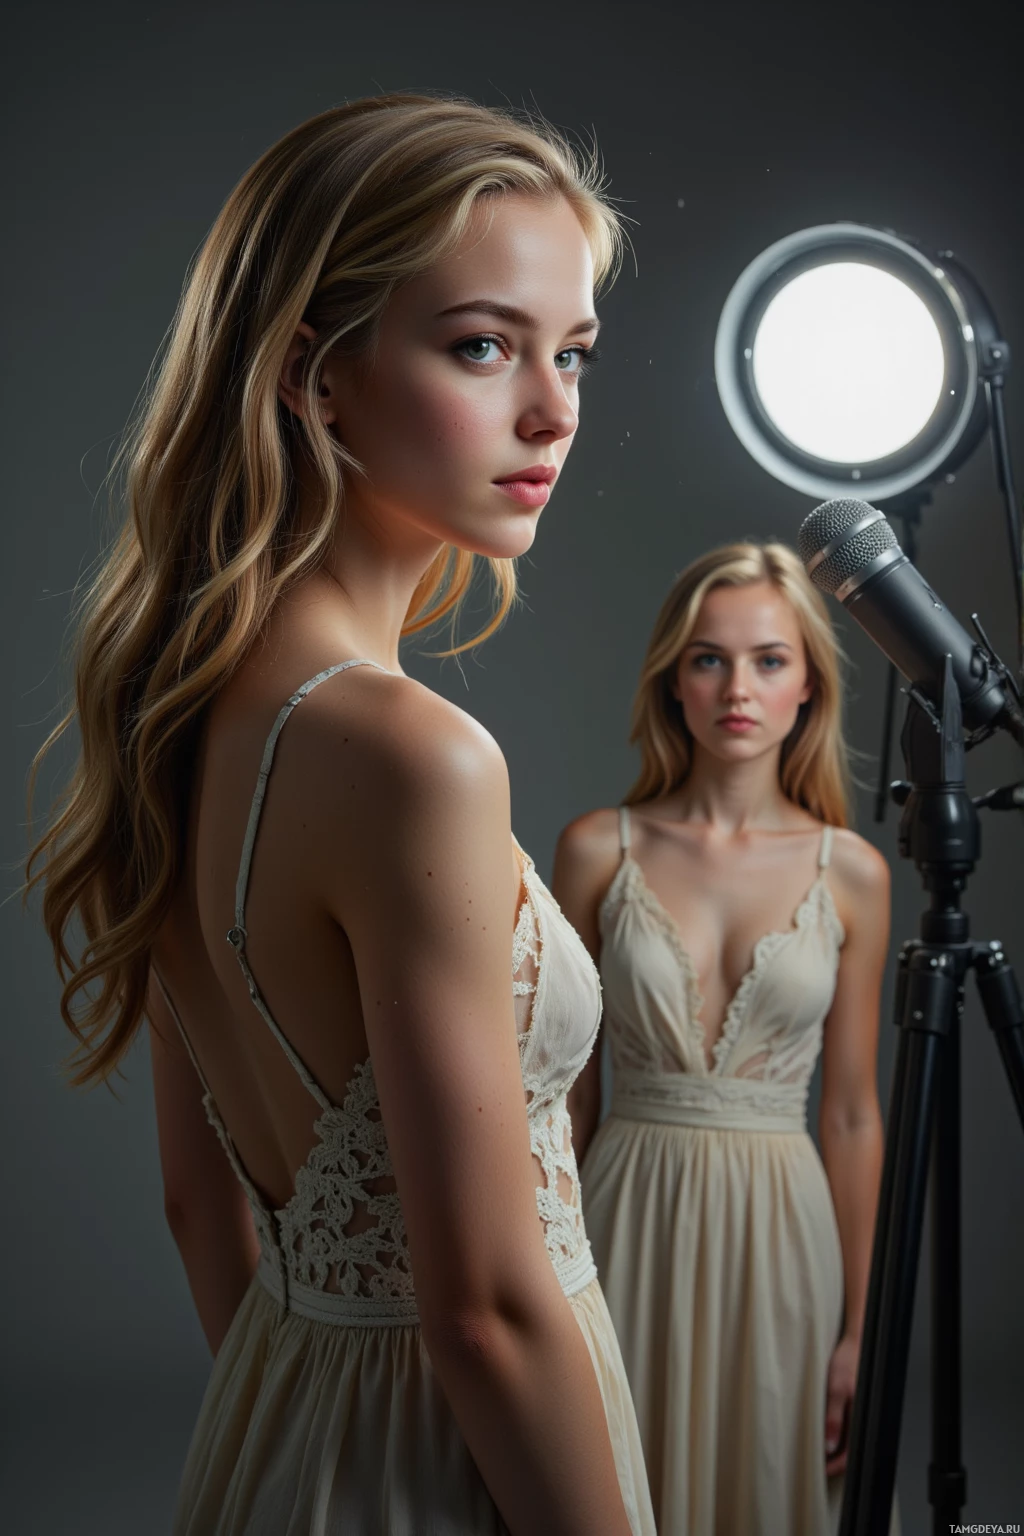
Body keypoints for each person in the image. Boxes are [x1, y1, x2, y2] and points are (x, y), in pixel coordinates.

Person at [26, 96, 656, 1536]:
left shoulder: (177, 711)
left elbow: (202, 1211)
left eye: (571, 352)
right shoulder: (412, 759)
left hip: (289, 1428)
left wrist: (310, 1433)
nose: (554, 410)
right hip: (456, 1463)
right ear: (315, 375)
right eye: (483, 346)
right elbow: (485, 1312)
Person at [553, 542, 892, 1535]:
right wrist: (535, 1275)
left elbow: (852, 1113)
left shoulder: (852, 873)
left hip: (784, 1232)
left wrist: (863, 1330)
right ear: (672, 681)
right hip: (622, 1219)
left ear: (808, 686)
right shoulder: (595, 850)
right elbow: (562, 1099)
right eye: (708, 659)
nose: (737, 689)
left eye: (768, 660)